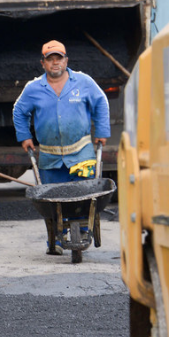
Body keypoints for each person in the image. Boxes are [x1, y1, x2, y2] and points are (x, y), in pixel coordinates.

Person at [13, 40, 110, 254]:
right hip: (50, 158)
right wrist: (24, 136)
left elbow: (101, 102)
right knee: (53, 201)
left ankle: (83, 230)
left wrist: (102, 131)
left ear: (66, 60)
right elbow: (19, 111)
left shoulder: (83, 82)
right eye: (50, 59)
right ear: (43, 63)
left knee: (84, 196)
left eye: (59, 58)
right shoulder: (34, 88)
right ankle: (55, 237)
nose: (55, 63)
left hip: (81, 154)